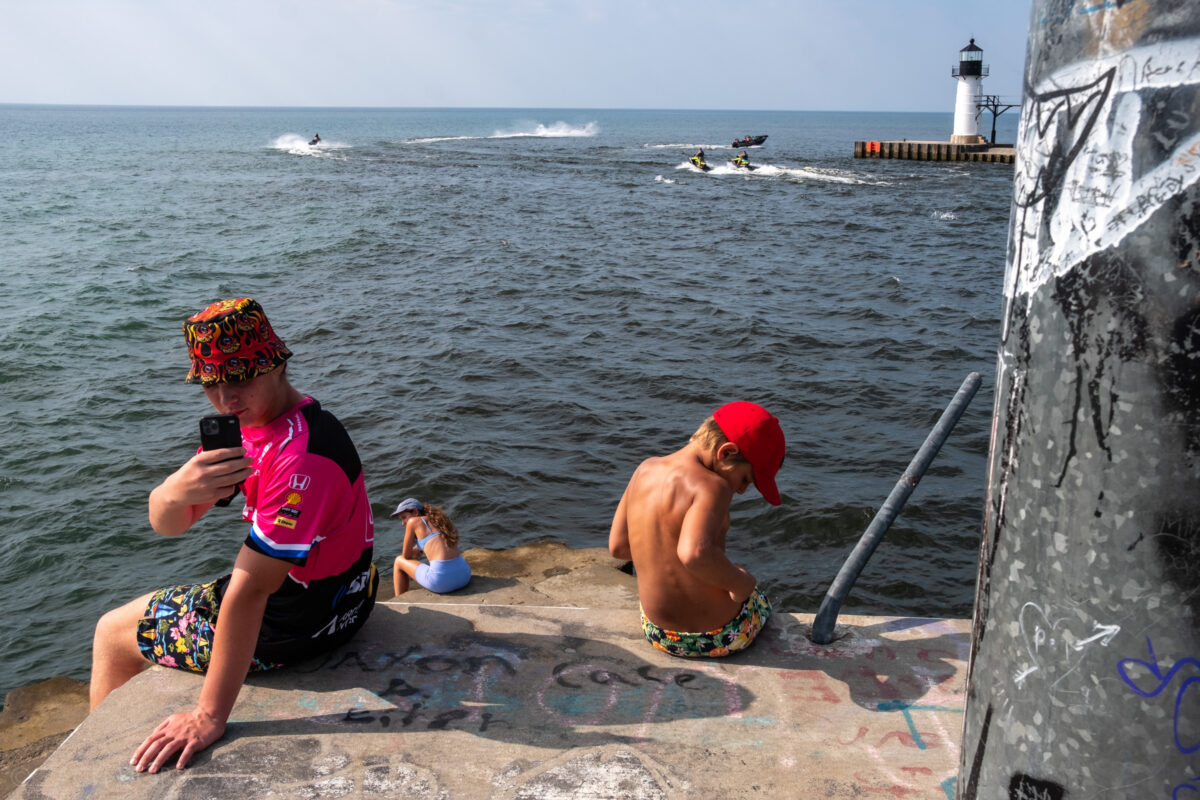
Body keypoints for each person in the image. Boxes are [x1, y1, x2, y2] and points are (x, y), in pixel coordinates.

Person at [89, 298, 378, 773]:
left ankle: (101, 771)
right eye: (211, 384)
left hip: (295, 628)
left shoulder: (300, 462)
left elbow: (250, 590)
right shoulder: (276, 429)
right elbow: (171, 525)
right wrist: (172, 491)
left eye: (241, 378)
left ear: (277, 364)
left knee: (112, 633)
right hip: (348, 602)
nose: (227, 399)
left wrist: (208, 715)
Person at [608, 401, 784, 658]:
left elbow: (619, 548)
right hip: (715, 637)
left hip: (658, 632)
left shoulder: (645, 468)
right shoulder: (713, 487)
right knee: (756, 596)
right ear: (726, 452)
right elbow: (694, 554)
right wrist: (740, 582)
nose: (743, 490)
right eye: (746, 479)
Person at [391, 498, 471, 595]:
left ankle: (399, 602)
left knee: (398, 561)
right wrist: (418, 549)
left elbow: (406, 555)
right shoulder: (439, 521)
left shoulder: (413, 522)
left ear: (415, 512)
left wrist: (414, 552)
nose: (403, 523)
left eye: (404, 517)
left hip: (442, 582)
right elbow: (433, 542)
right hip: (465, 575)